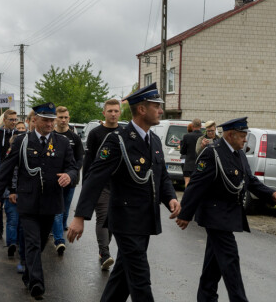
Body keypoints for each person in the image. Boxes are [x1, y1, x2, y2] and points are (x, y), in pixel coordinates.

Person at [68, 82, 181, 302]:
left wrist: (171, 198)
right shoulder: (118, 140)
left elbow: (161, 175)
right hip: (125, 220)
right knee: (140, 278)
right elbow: (93, 178)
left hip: (146, 219)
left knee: (122, 278)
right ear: (141, 109)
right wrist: (80, 216)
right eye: (156, 106)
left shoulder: (154, 139)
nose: (161, 110)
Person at [176, 117, 276, 302]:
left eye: (245, 136)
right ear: (230, 135)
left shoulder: (239, 153)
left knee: (213, 265)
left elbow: (249, 180)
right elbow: (196, 185)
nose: (245, 140)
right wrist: (185, 213)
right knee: (230, 260)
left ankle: (206, 298)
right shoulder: (212, 153)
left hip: (230, 213)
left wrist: (270, 194)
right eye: (242, 136)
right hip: (215, 215)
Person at [0, 102, 77, 299]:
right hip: (28, 202)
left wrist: (70, 176)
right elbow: (5, 170)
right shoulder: (22, 141)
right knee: (32, 243)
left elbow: (73, 168)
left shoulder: (62, 142)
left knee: (40, 242)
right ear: (34, 120)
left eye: (51, 120)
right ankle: (37, 283)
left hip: (51, 202)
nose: (49, 124)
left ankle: (29, 272)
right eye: (45, 120)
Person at [81, 98, 122, 270]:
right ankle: (105, 253)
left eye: (116, 111)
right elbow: (89, 161)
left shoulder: (124, 132)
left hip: (119, 185)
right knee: (103, 217)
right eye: (110, 111)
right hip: (101, 184)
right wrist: (86, 186)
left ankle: (103, 250)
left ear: (120, 112)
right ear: (104, 113)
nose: (113, 114)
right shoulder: (95, 133)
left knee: (113, 220)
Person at [51, 106, 84, 255]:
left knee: (64, 211)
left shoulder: (74, 138)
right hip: (54, 181)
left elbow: (79, 160)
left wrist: (71, 174)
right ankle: (59, 240)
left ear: (69, 119)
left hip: (71, 181)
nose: (63, 120)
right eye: (60, 117)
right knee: (57, 210)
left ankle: (59, 227)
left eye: (66, 117)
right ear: (55, 118)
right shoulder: (50, 135)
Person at [0, 109, 19, 246]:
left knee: (10, 206)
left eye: (15, 119)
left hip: (13, 173)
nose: (14, 122)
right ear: (5, 120)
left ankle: (12, 237)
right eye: (11, 120)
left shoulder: (19, 134)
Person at [180, 118, 202, 187]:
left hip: (188, 164)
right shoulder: (203, 137)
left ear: (192, 126)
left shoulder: (186, 136)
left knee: (187, 183)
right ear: (201, 126)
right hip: (200, 165)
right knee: (198, 184)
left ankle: (187, 197)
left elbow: (182, 151)